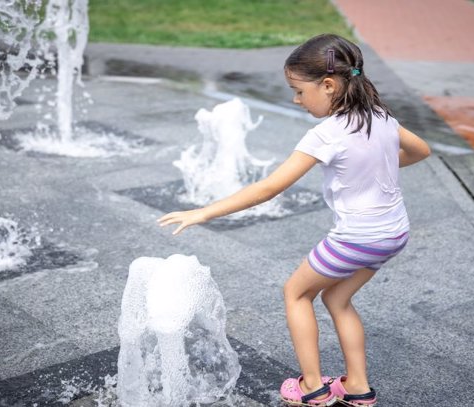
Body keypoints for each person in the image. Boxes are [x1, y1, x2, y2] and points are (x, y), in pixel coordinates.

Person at [158, 33, 430, 406]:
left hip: (357, 237)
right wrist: (377, 167)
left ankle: (312, 387)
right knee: (338, 299)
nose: (296, 99)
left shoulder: (326, 134)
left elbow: (269, 188)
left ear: (330, 85)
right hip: (394, 234)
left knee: (296, 293)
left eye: (300, 91)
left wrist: (204, 211)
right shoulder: (380, 117)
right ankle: (357, 387)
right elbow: (422, 150)